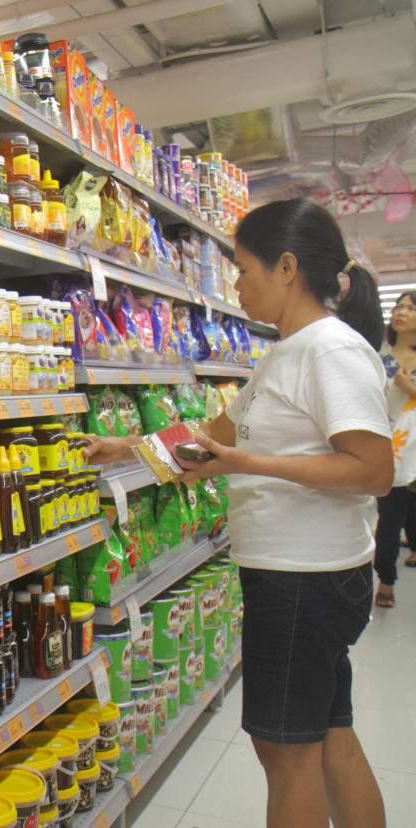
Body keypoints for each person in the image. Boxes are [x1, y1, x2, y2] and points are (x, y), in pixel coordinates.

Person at [86, 198, 389, 828]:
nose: (237, 287)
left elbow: (371, 470)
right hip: (303, 577)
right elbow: (212, 434)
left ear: (287, 267)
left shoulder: (329, 351)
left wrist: (250, 465)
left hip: (304, 581)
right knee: (331, 738)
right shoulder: (285, 354)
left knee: (285, 758)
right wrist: (125, 449)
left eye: (244, 271)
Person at [373, 290, 416, 606]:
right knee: (388, 514)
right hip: (388, 446)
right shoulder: (380, 355)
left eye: (411, 308)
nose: (402, 312)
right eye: (399, 306)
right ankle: (386, 579)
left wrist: (408, 387)